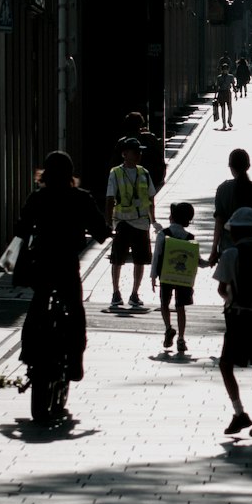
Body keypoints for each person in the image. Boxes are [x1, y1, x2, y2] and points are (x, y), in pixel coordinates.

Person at [14, 151, 112, 420]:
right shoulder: (80, 198)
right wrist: (104, 231)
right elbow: (101, 232)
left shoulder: (38, 198)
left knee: (35, 310)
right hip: (67, 265)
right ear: (70, 174)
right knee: (74, 311)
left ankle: (30, 354)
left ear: (44, 173)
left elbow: (21, 229)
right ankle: (76, 360)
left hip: (42, 265)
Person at [212, 207, 252, 440]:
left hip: (240, 319)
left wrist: (233, 297)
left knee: (226, 364)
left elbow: (221, 289)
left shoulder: (231, 254)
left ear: (237, 231)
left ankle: (239, 412)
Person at [105, 136, 157, 311]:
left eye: (139, 151)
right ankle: (115, 292)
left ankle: (135, 293)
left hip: (141, 222)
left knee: (140, 260)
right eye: (135, 151)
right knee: (117, 259)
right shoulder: (116, 173)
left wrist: (153, 220)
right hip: (122, 222)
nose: (139, 154)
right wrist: (108, 223)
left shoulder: (144, 173)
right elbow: (110, 198)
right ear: (125, 154)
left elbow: (151, 198)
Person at [208, 147, 252, 267]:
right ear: (248, 166)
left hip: (228, 248)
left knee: (227, 283)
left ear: (231, 167)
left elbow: (219, 222)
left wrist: (213, 250)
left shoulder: (223, 189)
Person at [151, 200, 198, 353]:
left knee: (164, 303)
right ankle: (181, 339)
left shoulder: (163, 235)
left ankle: (168, 328)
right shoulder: (190, 236)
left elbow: (156, 256)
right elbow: (195, 260)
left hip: (166, 276)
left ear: (172, 217)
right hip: (183, 279)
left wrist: (153, 276)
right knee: (180, 307)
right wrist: (209, 262)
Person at [122, 111, 166, 192]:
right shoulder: (150, 138)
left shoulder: (122, 142)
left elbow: (113, 162)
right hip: (150, 178)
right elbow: (159, 154)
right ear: (140, 124)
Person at [215, 61, 236, 130]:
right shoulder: (219, 77)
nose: (225, 71)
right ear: (222, 70)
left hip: (227, 92)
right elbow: (217, 87)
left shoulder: (231, 77)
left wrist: (235, 94)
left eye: (226, 69)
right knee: (223, 108)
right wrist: (215, 96)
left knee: (229, 107)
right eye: (224, 69)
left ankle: (229, 120)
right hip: (221, 93)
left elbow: (233, 85)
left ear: (228, 70)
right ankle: (224, 123)